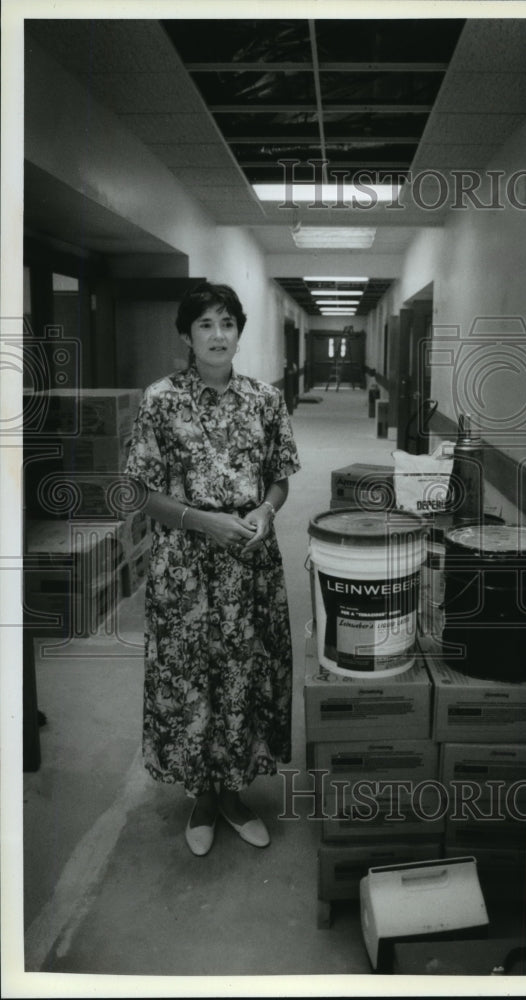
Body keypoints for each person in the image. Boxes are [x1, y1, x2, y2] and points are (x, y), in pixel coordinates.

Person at [124, 281, 300, 856]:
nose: (218, 335)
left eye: (227, 323)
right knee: (191, 678)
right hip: (187, 567)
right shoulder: (161, 401)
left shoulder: (265, 401)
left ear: (239, 331)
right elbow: (140, 492)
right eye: (205, 324)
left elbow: (280, 477)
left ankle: (234, 792)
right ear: (187, 335)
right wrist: (204, 522)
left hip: (249, 563)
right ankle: (202, 796)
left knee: (245, 673)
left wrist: (267, 511)